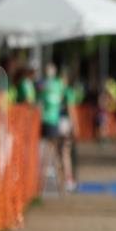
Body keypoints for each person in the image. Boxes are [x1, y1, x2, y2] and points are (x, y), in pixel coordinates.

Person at [38, 63, 68, 194]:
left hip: (50, 122)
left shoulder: (46, 85)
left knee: (52, 154)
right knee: (55, 154)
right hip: (51, 122)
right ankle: (60, 185)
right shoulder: (54, 85)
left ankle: (54, 185)